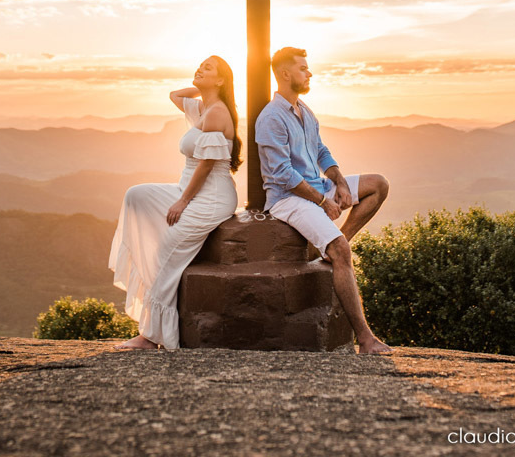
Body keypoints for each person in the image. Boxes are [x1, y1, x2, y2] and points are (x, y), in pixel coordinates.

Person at [255, 46, 392, 355]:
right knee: (341, 252)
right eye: (303, 68)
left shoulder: (303, 110)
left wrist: (339, 182)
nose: (310, 73)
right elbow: (282, 174)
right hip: (288, 199)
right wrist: (322, 201)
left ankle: (336, 244)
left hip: (317, 187)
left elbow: (320, 151)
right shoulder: (271, 118)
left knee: (378, 185)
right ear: (285, 74)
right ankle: (366, 339)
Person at [109, 54, 241, 350]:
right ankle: (151, 283)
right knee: (136, 196)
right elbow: (175, 95)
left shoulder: (217, 113)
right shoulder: (203, 107)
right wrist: (204, 86)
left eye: (208, 68)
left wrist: (183, 201)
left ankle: (151, 336)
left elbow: (207, 164)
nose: (200, 69)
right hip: (189, 187)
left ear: (221, 79)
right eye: (200, 66)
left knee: (167, 251)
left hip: (211, 196)